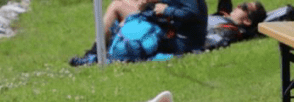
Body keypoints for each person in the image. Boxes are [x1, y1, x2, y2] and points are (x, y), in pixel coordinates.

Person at [70, 0, 208, 66]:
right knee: (118, 6)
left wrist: (166, 11)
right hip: (166, 25)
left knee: (123, 15)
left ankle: (98, 56)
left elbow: (193, 13)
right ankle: (96, 52)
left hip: (179, 39)